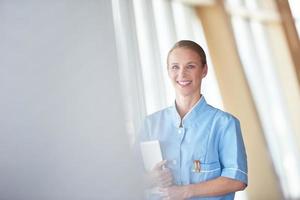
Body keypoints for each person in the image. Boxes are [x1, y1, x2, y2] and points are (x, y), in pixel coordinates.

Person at [139, 40, 248, 200]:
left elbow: (237, 180)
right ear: (168, 71)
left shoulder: (225, 124)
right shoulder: (150, 125)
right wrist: (150, 179)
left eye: (190, 66)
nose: (182, 74)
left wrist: (186, 191)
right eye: (175, 67)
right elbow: (124, 178)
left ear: (204, 70)